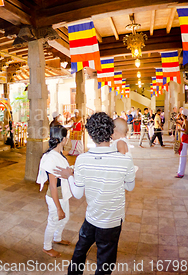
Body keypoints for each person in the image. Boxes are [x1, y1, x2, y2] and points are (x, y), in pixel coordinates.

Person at [54, 112, 135, 275]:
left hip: (92, 217)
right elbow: (130, 187)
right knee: (105, 260)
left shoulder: (82, 159)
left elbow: (77, 194)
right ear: (111, 132)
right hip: (112, 220)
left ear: (90, 134)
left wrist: (70, 176)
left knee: (80, 251)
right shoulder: (125, 160)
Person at [36, 126, 72, 258]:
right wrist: (58, 208)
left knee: (65, 218)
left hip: (62, 193)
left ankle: (57, 238)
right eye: (66, 137)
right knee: (54, 221)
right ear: (63, 139)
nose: (67, 139)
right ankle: (47, 247)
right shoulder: (51, 157)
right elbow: (52, 185)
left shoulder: (58, 154)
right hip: (56, 195)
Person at [176, 109, 188, 178]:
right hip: (183, 140)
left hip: (185, 140)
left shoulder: (187, 121)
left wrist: (181, 130)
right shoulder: (185, 121)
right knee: (182, 156)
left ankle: (181, 173)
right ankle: (180, 170)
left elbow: (187, 132)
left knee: (183, 157)